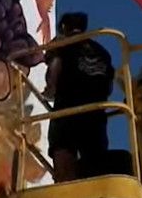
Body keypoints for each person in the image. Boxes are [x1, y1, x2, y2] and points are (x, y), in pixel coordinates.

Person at [43, 12, 114, 182]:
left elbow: (55, 66)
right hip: (96, 117)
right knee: (95, 169)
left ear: (65, 28)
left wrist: (50, 89)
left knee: (64, 164)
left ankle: (66, 197)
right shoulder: (102, 53)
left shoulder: (64, 44)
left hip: (67, 113)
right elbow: (109, 86)